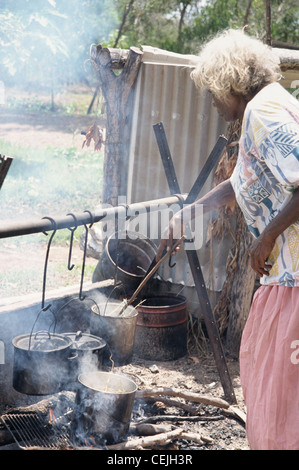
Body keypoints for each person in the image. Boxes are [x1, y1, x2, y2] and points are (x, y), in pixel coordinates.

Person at [156, 29, 299, 450]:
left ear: (230, 81)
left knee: (281, 396)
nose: (215, 106)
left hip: (295, 281)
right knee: (268, 381)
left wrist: (266, 237)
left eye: (214, 94)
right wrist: (189, 212)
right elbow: (242, 183)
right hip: (286, 280)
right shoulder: (270, 106)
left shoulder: (265, 112)